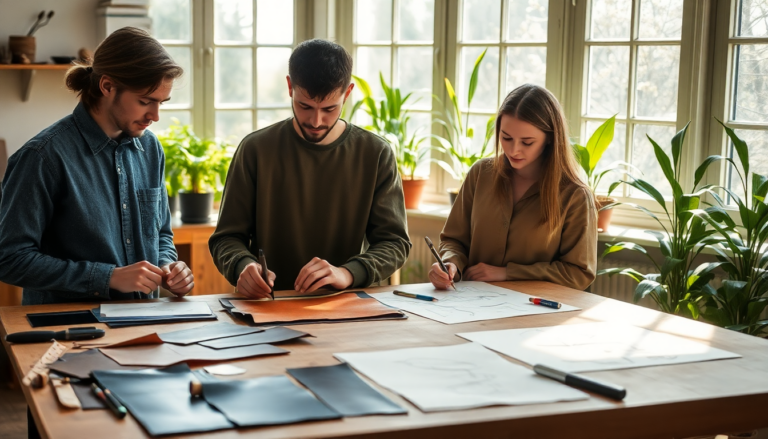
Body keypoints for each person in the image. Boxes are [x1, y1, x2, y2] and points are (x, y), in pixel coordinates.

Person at [0, 27, 194, 306]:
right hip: (67, 331)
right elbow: (10, 259)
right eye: (144, 102)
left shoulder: (151, 149)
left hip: (145, 323)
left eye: (161, 103)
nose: (155, 115)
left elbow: (162, 233)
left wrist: (169, 267)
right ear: (107, 86)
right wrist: (108, 277)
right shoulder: (42, 157)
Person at [209, 39, 410, 298]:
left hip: (346, 306)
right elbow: (226, 238)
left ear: (347, 93)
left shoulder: (376, 153)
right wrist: (242, 266)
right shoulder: (255, 150)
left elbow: (395, 243)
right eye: (305, 106)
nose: (316, 121)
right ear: (290, 86)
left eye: (329, 108)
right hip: (267, 306)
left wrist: (347, 273)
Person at [429, 84, 597, 291]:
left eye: (527, 142)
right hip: (471, 305)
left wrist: (508, 273)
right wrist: (450, 264)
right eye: (506, 137)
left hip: (536, 311)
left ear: (550, 139)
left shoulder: (575, 195)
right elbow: (454, 239)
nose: (514, 150)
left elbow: (579, 273)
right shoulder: (480, 174)